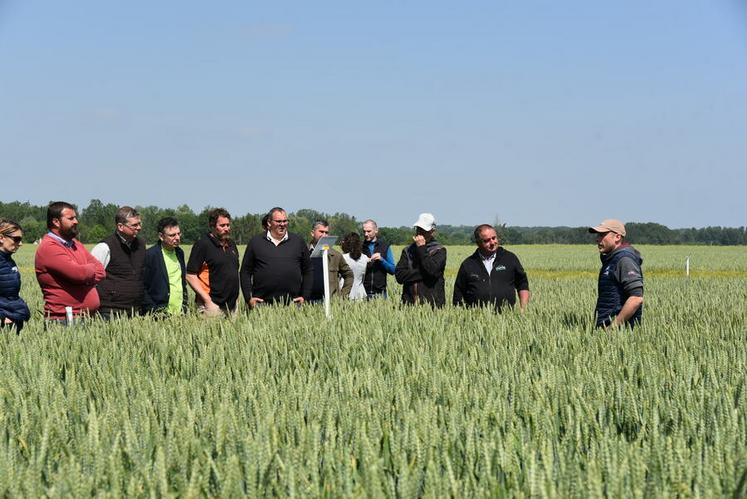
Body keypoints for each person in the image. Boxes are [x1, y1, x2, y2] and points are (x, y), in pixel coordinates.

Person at [35, 201, 106, 322]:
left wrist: (85, 274)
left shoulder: (76, 244)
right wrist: (87, 271)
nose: (76, 221)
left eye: (76, 217)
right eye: (71, 218)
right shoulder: (49, 247)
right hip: (64, 319)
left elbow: (101, 271)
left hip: (85, 318)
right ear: (56, 222)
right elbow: (79, 274)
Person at [240, 207, 312, 308]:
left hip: (293, 305)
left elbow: (308, 270)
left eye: (285, 221)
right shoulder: (256, 242)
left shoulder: (298, 241)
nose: (282, 224)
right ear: (269, 223)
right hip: (262, 305)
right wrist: (249, 298)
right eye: (278, 221)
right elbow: (245, 272)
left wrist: (305, 296)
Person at [453, 224, 530, 312]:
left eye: (494, 238)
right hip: (476, 318)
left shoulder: (510, 259)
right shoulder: (468, 264)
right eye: (487, 240)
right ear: (478, 243)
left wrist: (523, 309)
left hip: (507, 317)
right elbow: (458, 294)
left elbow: (522, 284)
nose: (492, 242)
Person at [90, 206, 146, 319]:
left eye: (139, 224)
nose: (139, 228)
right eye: (134, 225)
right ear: (120, 226)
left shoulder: (141, 244)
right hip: (110, 311)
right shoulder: (105, 247)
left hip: (136, 310)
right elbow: (91, 278)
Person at [588, 219, 644, 328]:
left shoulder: (624, 260)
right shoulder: (612, 259)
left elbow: (636, 298)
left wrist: (612, 328)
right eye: (598, 235)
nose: (597, 239)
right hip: (608, 332)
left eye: (602, 235)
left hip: (621, 334)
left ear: (617, 237)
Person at [185, 208, 240, 316]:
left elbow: (234, 272)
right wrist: (207, 301)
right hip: (212, 306)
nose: (226, 228)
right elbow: (190, 275)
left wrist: (236, 299)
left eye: (228, 225)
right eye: (222, 225)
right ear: (212, 226)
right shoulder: (203, 244)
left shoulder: (231, 244)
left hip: (232, 306)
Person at [395, 213, 447, 308]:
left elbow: (432, 270)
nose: (420, 233)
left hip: (433, 306)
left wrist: (422, 249)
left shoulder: (439, 250)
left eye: (423, 230)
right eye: (418, 229)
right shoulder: (407, 250)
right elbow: (399, 276)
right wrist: (424, 275)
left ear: (432, 231)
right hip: (409, 304)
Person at [143, 217, 188, 316]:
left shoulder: (180, 252)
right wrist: (153, 310)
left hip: (180, 313)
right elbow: (142, 287)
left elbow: (182, 282)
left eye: (178, 233)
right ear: (161, 236)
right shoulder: (151, 255)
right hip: (160, 314)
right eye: (172, 235)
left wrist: (185, 305)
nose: (177, 238)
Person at [307, 220, 353, 302]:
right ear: (312, 233)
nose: (324, 235)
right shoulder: (303, 252)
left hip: (330, 302)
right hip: (307, 301)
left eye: (326, 232)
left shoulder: (335, 255)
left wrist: (342, 296)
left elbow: (349, 275)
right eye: (321, 232)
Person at [0, 219, 31, 332]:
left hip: (14, 318)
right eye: (16, 239)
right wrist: (2, 317)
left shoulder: (8, 260)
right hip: (6, 322)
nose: (20, 243)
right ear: (1, 238)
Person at [361, 219, 395, 298]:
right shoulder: (359, 247)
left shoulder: (385, 247)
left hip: (381, 294)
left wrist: (382, 260)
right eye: (364, 231)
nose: (366, 234)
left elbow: (393, 270)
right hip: (363, 293)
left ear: (376, 231)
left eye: (369, 231)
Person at [341, 232, 370, 300]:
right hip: (360, 293)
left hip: (345, 293)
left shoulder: (342, 257)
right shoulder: (364, 257)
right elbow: (363, 277)